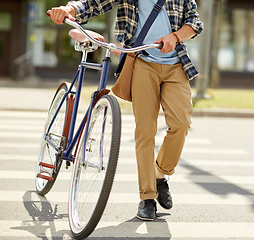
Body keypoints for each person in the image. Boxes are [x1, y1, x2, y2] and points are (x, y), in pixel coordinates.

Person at [49, 0, 203, 221]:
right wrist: (68, 9)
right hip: (142, 61)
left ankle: (160, 175)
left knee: (181, 125)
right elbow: (94, 3)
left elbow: (195, 22)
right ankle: (147, 197)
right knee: (145, 132)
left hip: (176, 64)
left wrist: (176, 36)